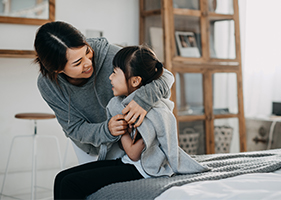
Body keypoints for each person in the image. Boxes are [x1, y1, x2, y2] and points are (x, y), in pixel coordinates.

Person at [53, 45, 209, 199]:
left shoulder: (145, 112)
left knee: (70, 183)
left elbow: (134, 153)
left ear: (135, 81)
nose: (110, 77)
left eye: (114, 73)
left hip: (141, 169)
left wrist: (122, 130)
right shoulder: (123, 104)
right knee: (61, 178)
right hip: (127, 162)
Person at [34, 21, 174, 164]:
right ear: (57, 70)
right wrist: (107, 129)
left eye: (87, 51)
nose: (88, 63)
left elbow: (166, 76)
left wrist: (142, 100)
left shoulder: (112, 55)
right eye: (77, 63)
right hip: (90, 146)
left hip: (129, 141)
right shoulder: (48, 85)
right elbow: (74, 128)